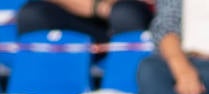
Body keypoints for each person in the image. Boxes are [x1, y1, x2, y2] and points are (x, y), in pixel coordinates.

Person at [16, 0, 153, 42]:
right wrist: (97, 7)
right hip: (86, 16)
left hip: (127, 12)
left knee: (125, 15)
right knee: (32, 15)